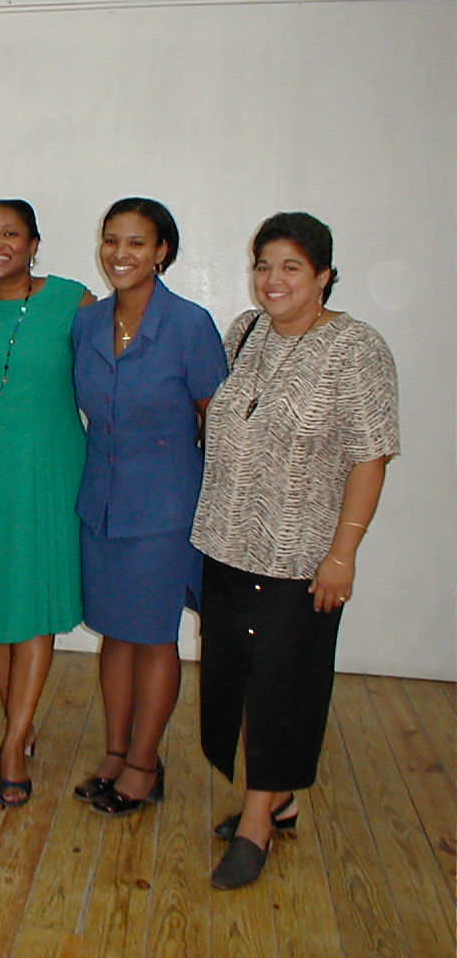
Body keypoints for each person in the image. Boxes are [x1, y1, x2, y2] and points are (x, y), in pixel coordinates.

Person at [191, 212, 399, 889]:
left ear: (323, 276)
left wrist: (344, 554)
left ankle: (258, 823)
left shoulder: (358, 348)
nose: (272, 280)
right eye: (263, 265)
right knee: (237, 681)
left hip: (302, 554)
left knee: (284, 685)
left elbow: (371, 457)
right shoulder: (243, 333)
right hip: (226, 541)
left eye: (290, 267)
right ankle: (275, 798)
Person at [70, 198, 227, 817]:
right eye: (111, 240)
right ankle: (114, 752)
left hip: (165, 506)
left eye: (136, 243)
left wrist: (214, 513)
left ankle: (144, 763)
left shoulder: (190, 325)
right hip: (100, 502)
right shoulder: (88, 322)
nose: (120, 254)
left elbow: (217, 425)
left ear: (162, 251)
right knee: (115, 633)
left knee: (154, 637)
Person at [0, 200, 95, 808]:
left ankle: (11, 747)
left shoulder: (73, 301)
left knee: (30, 606)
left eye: (9, 233)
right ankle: (21, 729)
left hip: (49, 471)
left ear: (35, 242)